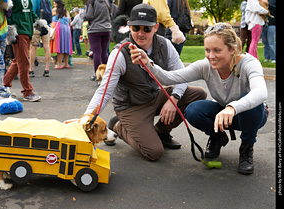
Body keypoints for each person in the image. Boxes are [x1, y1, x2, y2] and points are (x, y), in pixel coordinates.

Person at [131, 22, 268, 174]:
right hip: (223, 114)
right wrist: (147, 64)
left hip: (249, 115)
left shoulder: (249, 63)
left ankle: (246, 148)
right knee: (193, 110)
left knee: (252, 103)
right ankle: (218, 137)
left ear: (232, 49)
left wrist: (233, 107)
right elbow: (170, 78)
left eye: (217, 50)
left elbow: (261, 92)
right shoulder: (205, 65)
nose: (211, 56)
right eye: (207, 50)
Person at [84, 4, 207, 161]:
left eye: (146, 29)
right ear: (129, 27)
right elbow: (104, 91)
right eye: (136, 28)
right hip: (131, 107)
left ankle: (161, 132)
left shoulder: (165, 45)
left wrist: (174, 98)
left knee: (198, 94)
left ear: (155, 27)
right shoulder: (119, 53)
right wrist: (87, 118)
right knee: (154, 152)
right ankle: (119, 127)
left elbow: (181, 76)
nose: (140, 33)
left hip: (154, 97)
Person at [3, 0, 41, 102]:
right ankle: (27, 92)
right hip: (18, 31)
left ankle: (4, 84)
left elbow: (30, 12)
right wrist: (11, 31)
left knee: (18, 60)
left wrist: (39, 24)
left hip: (28, 30)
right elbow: (8, 12)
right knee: (23, 61)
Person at [83, 0, 112, 81]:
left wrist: (83, 15)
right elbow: (111, 13)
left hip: (94, 29)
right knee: (104, 52)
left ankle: (97, 74)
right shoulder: (107, 1)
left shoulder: (91, 2)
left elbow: (88, 16)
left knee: (97, 53)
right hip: (106, 29)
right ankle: (107, 73)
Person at [29, 0, 52, 77]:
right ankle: (47, 69)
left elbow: (33, 11)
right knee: (46, 47)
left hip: (37, 26)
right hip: (46, 25)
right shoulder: (48, 1)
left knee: (33, 47)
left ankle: (31, 69)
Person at [49, 0, 72, 69]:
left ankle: (59, 64)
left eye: (54, 3)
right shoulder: (66, 11)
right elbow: (69, 21)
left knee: (60, 46)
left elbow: (50, 18)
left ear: (57, 4)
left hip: (58, 28)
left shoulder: (54, 10)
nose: (53, 4)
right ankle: (66, 63)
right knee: (66, 45)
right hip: (66, 28)